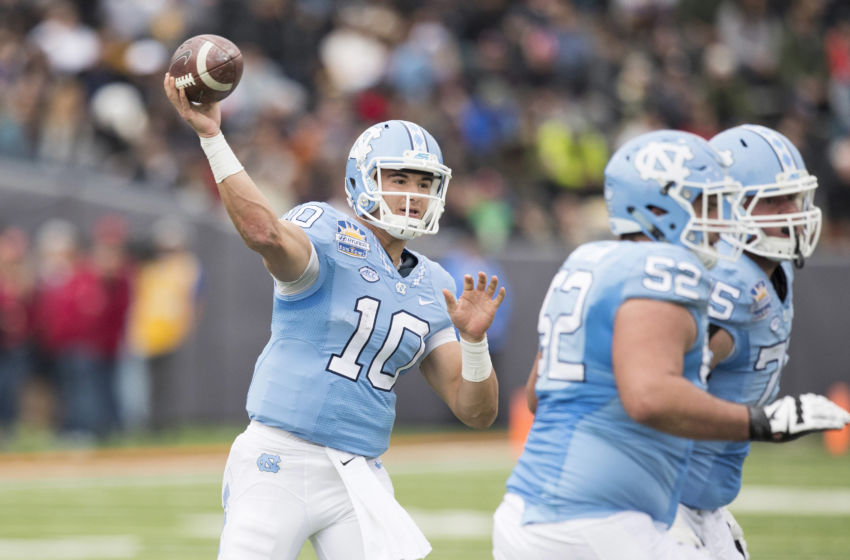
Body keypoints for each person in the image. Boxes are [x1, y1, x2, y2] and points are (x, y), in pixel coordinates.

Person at [163, 75, 505, 560]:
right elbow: (264, 234)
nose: (413, 194)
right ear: (363, 179)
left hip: (358, 472)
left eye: (424, 183)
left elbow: (477, 412)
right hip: (277, 459)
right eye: (399, 178)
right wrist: (212, 138)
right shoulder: (327, 228)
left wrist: (474, 344)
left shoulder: (436, 285)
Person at [493, 129, 850, 560]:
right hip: (596, 515)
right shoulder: (668, 270)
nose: (722, 220)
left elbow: (540, 393)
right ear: (661, 206)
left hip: (542, 504)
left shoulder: (587, 260)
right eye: (708, 203)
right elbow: (652, 396)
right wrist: (763, 421)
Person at [670, 124, 824, 559]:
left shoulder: (775, 270)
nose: (792, 210)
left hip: (702, 500)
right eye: (773, 201)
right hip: (664, 498)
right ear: (727, 208)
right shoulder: (728, 284)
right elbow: (663, 394)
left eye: (794, 197)